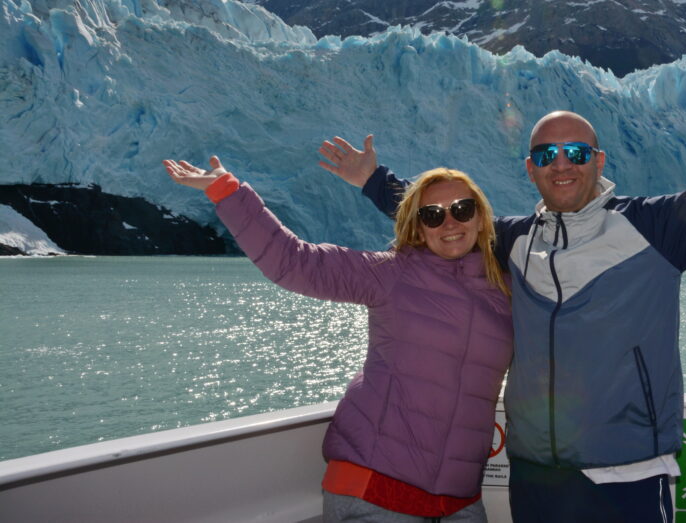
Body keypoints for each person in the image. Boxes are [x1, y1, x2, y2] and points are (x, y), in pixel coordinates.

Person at [320, 53, 686, 522]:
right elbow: (445, 219)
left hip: (626, 478)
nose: (562, 164)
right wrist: (372, 180)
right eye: (546, 154)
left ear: (598, 160)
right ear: (530, 168)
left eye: (576, 152)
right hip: (535, 479)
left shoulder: (654, 228)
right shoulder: (512, 240)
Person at [163, 156, 513, 523]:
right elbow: (293, 261)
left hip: (459, 501)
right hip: (376, 489)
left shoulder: (505, 291)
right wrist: (227, 191)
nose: (450, 222)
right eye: (432, 215)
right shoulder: (389, 274)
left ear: (481, 216)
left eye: (462, 208)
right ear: (417, 226)